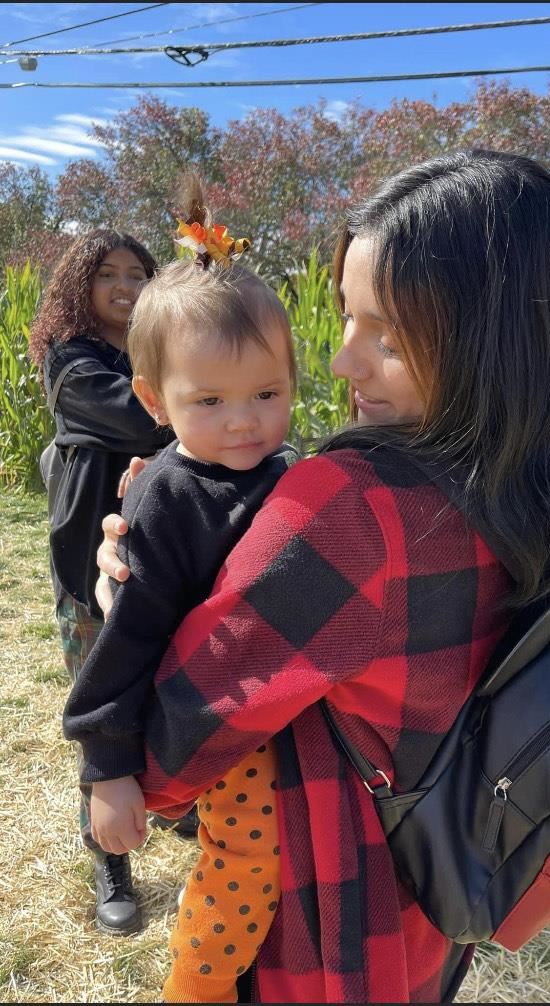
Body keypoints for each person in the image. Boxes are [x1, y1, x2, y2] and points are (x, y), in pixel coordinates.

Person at [95, 150, 550, 1002]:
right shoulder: (549, 484)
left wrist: (135, 595)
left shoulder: (352, 508)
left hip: (321, 920)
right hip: (441, 889)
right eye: (348, 320)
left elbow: (174, 751)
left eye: (386, 335)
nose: (346, 363)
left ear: (489, 337)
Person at [62, 182, 297, 1003]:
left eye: (267, 394)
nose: (244, 422)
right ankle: (199, 985)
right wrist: (108, 768)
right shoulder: (167, 495)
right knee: (242, 869)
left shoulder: (292, 476)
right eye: (211, 402)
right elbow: (127, 636)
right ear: (157, 403)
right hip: (229, 731)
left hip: (299, 723)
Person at [28, 229, 198, 939]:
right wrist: (201, 404)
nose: (126, 287)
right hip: (90, 567)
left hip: (162, 557)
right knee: (105, 706)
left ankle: (175, 804)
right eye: (108, 275)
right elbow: (143, 416)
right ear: (81, 287)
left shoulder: (155, 354)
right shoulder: (72, 364)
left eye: (139, 273)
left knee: (169, 689)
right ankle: (109, 858)